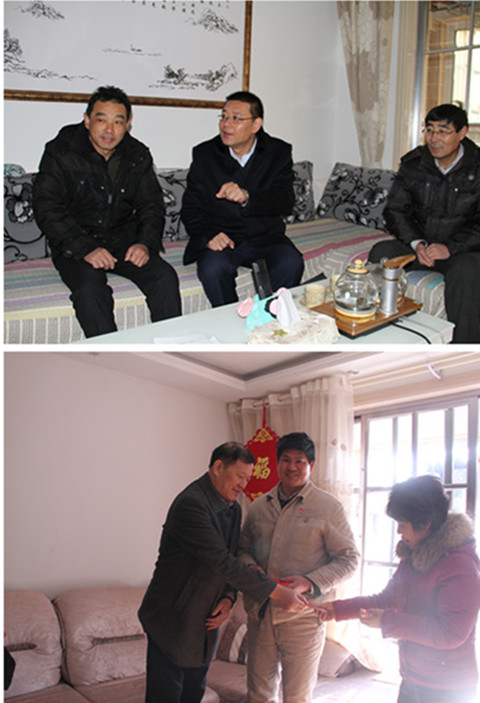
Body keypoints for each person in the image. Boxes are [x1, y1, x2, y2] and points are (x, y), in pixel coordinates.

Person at [138, 441, 310, 703]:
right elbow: (220, 560)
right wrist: (276, 592)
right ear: (218, 467)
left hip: (206, 619)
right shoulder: (191, 504)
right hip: (173, 619)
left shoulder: (232, 507)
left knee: (193, 693)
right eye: (240, 476)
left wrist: (229, 597)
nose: (244, 485)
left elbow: (233, 555)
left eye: (248, 478)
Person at [33, 85, 181, 338]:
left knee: (164, 276)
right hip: (75, 244)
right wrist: (85, 248)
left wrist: (145, 243)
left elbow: (151, 204)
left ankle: (170, 346)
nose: (109, 130)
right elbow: (47, 207)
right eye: (101, 120)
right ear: (87, 120)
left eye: (118, 122)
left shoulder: (137, 155)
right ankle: (113, 352)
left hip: (122, 241)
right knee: (90, 291)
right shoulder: (61, 151)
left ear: (128, 124)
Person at [319, 475, 480, 703]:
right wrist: (338, 609)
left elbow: (450, 633)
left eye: (402, 525)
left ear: (425, 525)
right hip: (413, 676)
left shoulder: (459, 565)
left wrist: (388, 621)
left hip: (448, 687)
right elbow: (388, 598)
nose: (398, 532)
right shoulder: (413, 554)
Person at [238, 432, 360, 703]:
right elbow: (242, 549)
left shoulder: (328, 507)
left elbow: (350, 558)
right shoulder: (259, 507)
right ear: (277, 463)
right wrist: (251, 567)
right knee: (258, 694)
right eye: (286, 460)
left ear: (311, 465)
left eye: (300, 461)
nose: (292, 467)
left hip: (303, 618)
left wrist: (309, 581)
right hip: (261, 613)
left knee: (297, 696)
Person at [368, 103, 480, 343]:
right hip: (421, 247)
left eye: (443, 131)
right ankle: (379, 332)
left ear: (462, 133)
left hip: (461, 252)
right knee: (382, 252)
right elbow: (396, 211)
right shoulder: (414, 164)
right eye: (429, 130)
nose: (434, 139)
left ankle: (465, 349)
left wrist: (449, 248)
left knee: (468, 272)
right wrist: (417, 244)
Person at [181, 91, 305, 307]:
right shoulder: (205, 154)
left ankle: (269, 316)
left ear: (256, 124)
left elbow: (284, 200)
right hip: (223, 238)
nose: (226, 124)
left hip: (265, 237)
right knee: (213, 269)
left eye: (236, 118)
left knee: (291, 262)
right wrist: (210, 236)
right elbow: (190, 209)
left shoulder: (278, 152)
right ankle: (230, 318)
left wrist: (248, 197)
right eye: (223, 117)